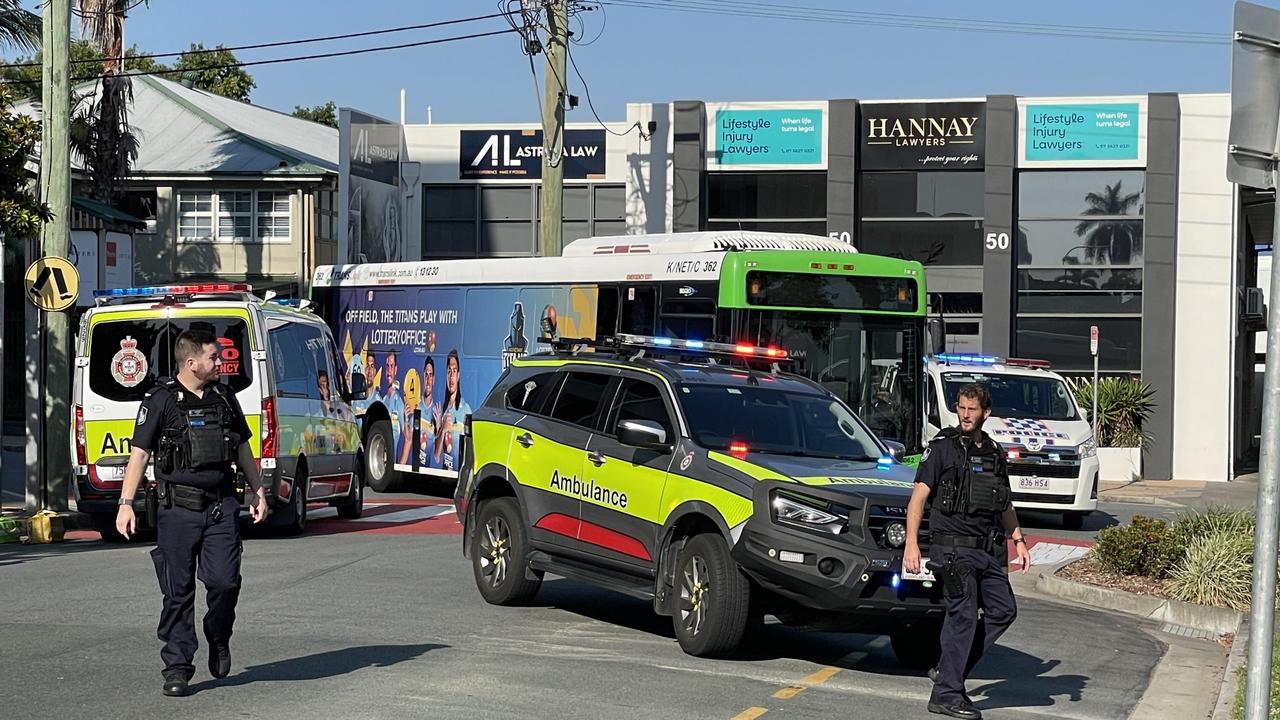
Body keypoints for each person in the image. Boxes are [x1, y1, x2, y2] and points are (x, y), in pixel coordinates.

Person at [116, 330, 267, 698]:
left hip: (220, 506)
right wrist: (125, 504)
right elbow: (139, 453)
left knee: (225, 583)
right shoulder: (161, 400)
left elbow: (243, 447)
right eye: (214, 358)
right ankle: (178, 667)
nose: (220, 363)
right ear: (191, 363)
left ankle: (218, 634)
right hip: (177, 509)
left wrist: (258, 490)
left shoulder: (224, 397)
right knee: (177, 593)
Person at [904, 382, 1031, 720]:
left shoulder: (992, 452)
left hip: (986, 550)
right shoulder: (942, 448)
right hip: (952, 549)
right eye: (961, 407)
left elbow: (1003, 502)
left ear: (985, 412)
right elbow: (918, 498)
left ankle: (948, 671)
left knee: (1003, 610)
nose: (965, 414)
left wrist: (1017, 538)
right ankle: (946, 694)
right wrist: (912, 544)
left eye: (972, 409)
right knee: (963, 616)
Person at [434, 350, 472, 472]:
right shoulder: (442, 411)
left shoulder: (466, 409)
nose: (451, 376)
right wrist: (442, 429)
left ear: (459, 376)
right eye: (449, 371)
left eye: (454, 371)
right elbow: (436, 457)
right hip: (446, 473)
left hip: (460, 475)